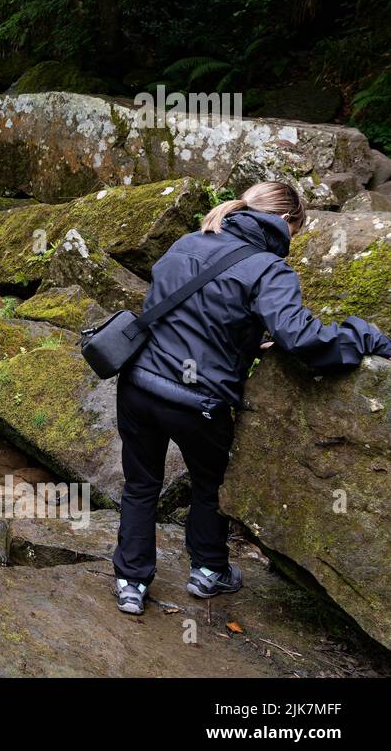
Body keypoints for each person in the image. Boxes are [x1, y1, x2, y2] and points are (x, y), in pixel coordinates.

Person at [113, 180, 391, 614]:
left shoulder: (188, 242)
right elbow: (303, 339)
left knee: (141, 484)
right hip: (197, 401)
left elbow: (183, 312)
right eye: (296, 233)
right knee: (210, 485)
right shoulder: (268, 268)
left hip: (137, 384)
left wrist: (246, 340)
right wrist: (364, 335)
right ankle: (207, 572)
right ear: (283, 221)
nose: (293, 244)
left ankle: (131, 583)